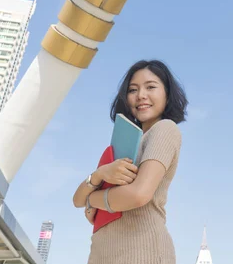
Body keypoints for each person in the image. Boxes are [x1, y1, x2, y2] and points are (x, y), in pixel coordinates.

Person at [72, 59, 188, 264]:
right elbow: (76, 200)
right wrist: (100, 174)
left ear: (167, 94)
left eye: (151, 87)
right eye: (133, 90)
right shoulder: (126, 142)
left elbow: (138, 195)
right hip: (102, 253)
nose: (141, 95)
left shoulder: (165, 129)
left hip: (142, 252)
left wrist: (93, 200)